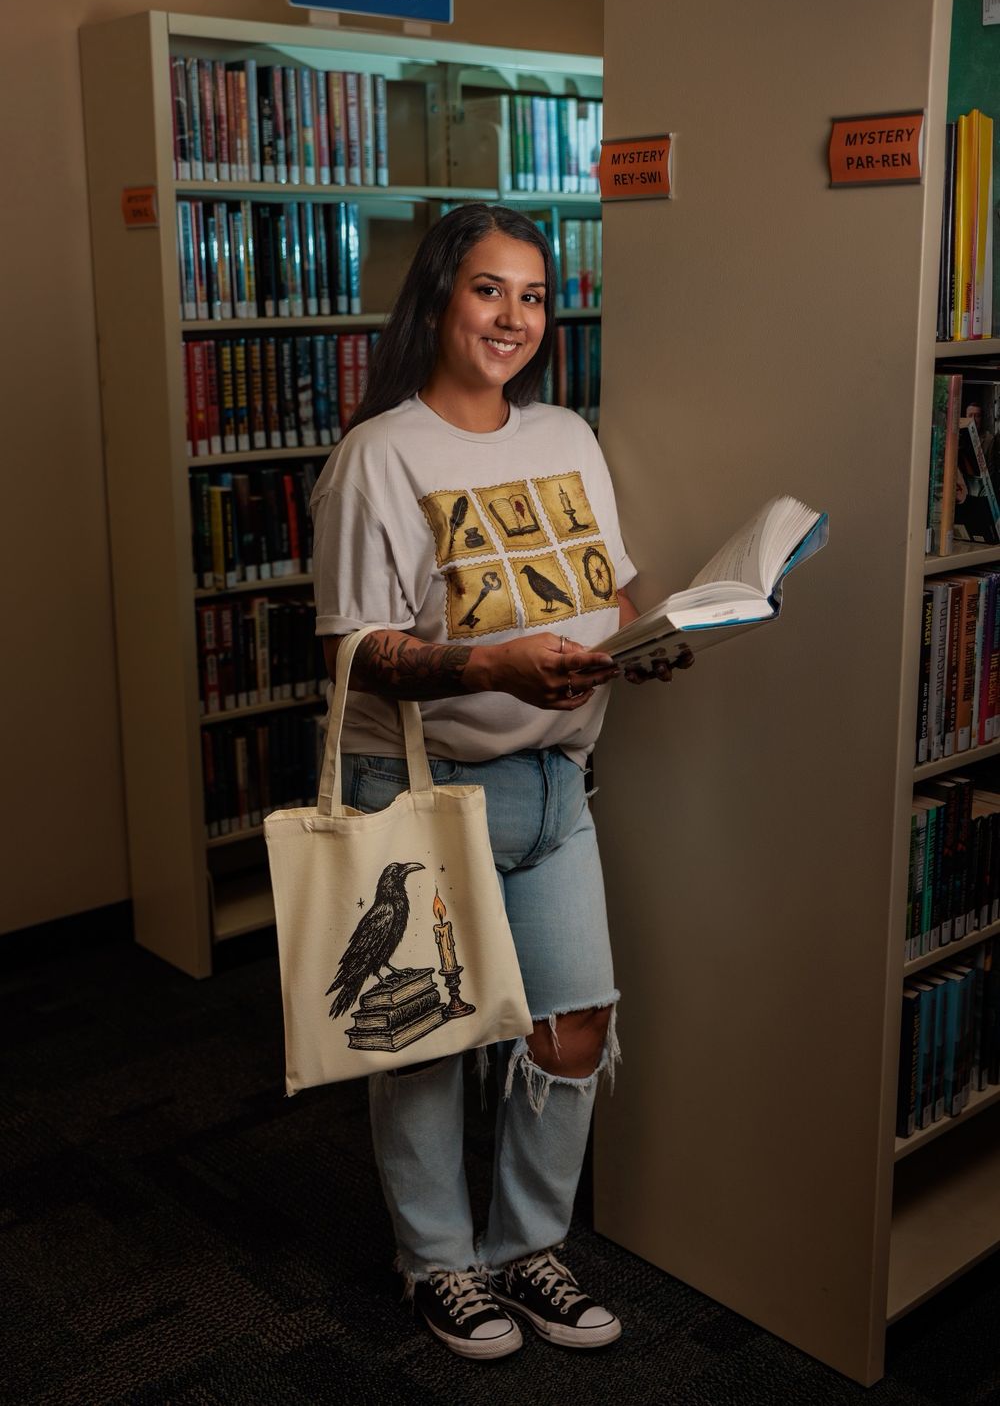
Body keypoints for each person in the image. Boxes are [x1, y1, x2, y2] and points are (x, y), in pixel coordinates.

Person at [309, 202, 687, 1361]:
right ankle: (438, 1265)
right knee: (426, 1039)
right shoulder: (378, 454)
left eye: (532, 295)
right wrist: (491, 662)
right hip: (421, 784)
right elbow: (355, 648)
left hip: (555, 787)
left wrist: (644, 636)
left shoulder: (567, 433)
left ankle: (528, 1247)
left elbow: (608, 589)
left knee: (575, 1024)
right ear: (440, 297)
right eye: (488, 290)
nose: (513, 317)